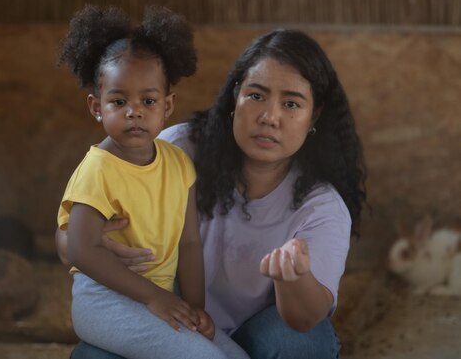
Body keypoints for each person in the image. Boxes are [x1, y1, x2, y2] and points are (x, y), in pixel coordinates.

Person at [57, 28, 367, 359]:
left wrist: (295, 277)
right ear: (235, 97)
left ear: (313, 116)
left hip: (244, 336)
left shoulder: (322, 207)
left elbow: (304, 320)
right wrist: (88, 242)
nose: (269, 117)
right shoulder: (173, 150)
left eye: (291, 103)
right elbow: (72, 245)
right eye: (256, 96)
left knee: (301, 342)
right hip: (158, 317)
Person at [56, 5, 250, 359]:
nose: (135, 111)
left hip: (159, 298)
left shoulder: (178, 163)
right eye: (118, 101)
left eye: (148, 100)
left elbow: (190, 243)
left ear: (168, 106)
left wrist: (195, 308)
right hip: (104, 302)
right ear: (96, 106)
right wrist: (155, 297)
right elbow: (81, 250)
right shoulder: (98, 169)